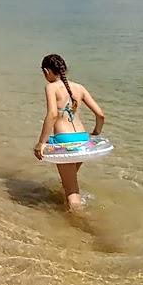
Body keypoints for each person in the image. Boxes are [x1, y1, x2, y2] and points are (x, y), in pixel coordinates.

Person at [34, 53, 105, 211]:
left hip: (65, 140)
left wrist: (41, 143)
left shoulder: (51, 87)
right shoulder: (79, 88)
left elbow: (52, 114)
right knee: (69, 181)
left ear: (46, 71)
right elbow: (100, 114)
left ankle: (82, 223)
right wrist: (95, 133)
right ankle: (67, 205)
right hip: (82, 139)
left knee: (72, 192)